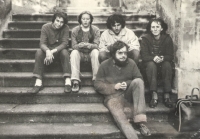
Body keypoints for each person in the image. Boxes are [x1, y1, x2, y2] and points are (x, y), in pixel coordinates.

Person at [94, 41, 151, 139]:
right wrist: (114, 86)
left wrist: (127, 83)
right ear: (113, 54)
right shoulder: (104, 65)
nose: (123, 55)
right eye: (120, 53)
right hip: (113, 98)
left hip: (128, 95)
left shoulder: (131, 63)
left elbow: (139, 79)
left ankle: (140, 121)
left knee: (138, 81)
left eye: (125, 53)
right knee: (122, 120)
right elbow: (97, 84)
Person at [28, 11, 71, 94]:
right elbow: (42, 43)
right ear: (53, 20)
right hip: (48, 51)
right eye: (57, 20)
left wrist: (52, 51)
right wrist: (47, 51)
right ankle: (38, 82)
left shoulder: (65, 28)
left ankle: (68, 80)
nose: (59, 24)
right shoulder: (45, 27)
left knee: (65, 52)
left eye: (62, 22)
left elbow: (65, 43)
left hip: (58, 52)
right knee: (39, 52)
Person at [140, 18, 174, 108]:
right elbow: (144, 56)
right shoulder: (145, 39)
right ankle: (154, 95)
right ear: (150, 29)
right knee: (151, 65)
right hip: (150, 66)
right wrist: (153, 58)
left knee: (167, 64)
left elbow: (170, 56)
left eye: (157, 27)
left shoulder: (167, 38)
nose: (155, 29)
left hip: (162, 65)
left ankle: (167, 95)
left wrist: (163, 58)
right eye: (153, 27)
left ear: (161, 28)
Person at [70, 11, 100, 93]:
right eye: (83, 19)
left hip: (91, 54)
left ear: (90, 20)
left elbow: (96, 45)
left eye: (87, 19)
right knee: (74, 53)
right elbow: (74, 46)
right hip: (80, 54)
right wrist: (80, 45)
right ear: (80, 20)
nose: (85, 21)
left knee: (95, 52)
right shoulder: (75, 30)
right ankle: (75, 81)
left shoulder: (96, 30)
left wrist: (88, 45)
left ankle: (96, 79)